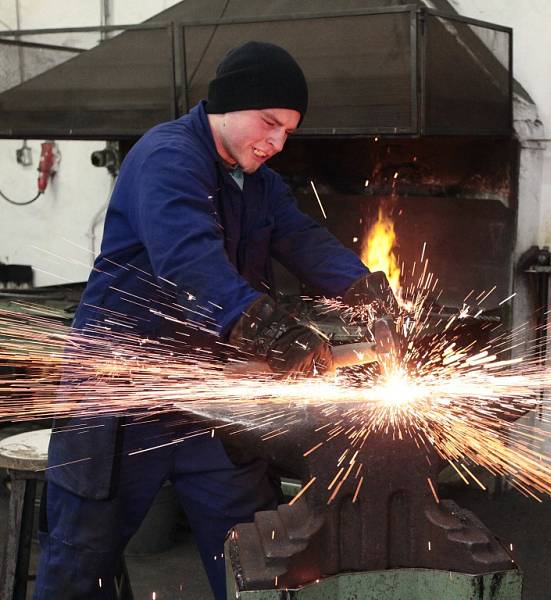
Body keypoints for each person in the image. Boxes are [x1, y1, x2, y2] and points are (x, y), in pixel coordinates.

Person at [33, 41, 394, 599]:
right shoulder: (167, 157)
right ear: (226, 105)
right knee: (82, 564)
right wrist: (267, 326)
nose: (275, 142)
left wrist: (366, 291)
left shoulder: (260, 183)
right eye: (268, 123)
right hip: (122, 396)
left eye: (287, 133)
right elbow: (187, 256)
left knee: (252, 554)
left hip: (214, 398)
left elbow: (304, 241)